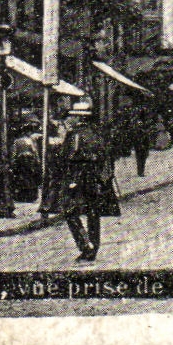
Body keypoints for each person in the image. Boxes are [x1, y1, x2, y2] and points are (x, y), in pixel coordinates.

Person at [54, 99, 115, 262]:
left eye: (73, 116)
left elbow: (66, 157)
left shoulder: (74, 135)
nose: (70, 119)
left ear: (80, 118)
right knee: (93, 214)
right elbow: (106, 155)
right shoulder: (97, 133)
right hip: (96, 178)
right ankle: (94, 246)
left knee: (70, 211)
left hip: (77, 178)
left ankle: (85, 245)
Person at [127, 108, 154, 176]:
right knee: (140, 159)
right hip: (140, 146)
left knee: (142, 159)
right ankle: (140, 171)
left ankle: (141, 171)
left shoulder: (143, 130)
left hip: (142, 146)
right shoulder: (137, 131)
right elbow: (136, 138)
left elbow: (146, 139)